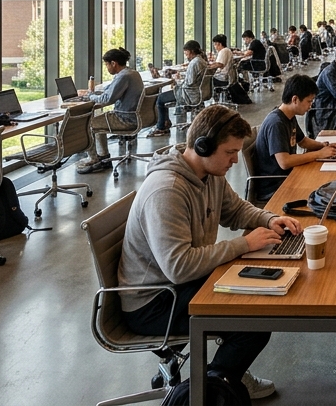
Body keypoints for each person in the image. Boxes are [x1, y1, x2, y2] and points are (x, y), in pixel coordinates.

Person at [118, 105, 298, 399]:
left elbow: (235, 210)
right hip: (154, 301)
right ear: (203, 146)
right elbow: (179, 267)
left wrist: (268, 219)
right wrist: (245, 244)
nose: (235, 160)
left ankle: (224, 375)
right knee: (252, 316)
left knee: (258, 296)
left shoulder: (208, 173)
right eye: (229, 152)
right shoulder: (167, 190)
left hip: (178, 284)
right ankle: (214, 387)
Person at [250, 75, 336, 201]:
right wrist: (319, 154)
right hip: (276, 186)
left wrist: (324, 146)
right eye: (309, 101)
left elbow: (303, 142)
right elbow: (285, 162)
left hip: (288, 176)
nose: (310, 106)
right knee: (325, 189)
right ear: (295, 99)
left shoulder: (289, 116)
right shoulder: (276, 123)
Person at [81, 47, 145, 174]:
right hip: (134, 116)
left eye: (106, 64)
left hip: (124, 119)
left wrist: (90, 96)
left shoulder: (123, 77)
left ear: (113, 63)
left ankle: (94, 159)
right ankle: (103, 157)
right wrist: (94, 93)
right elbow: (110, 90)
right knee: (98, 120)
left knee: (87, 124)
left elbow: (107, 99)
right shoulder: (132, 73)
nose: (107, 67)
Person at [149, 40, 211, 136]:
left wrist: (177, 81)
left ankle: (161, 127)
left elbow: (189, 83)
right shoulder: (202, 61)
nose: (186, 55)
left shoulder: (194, 63)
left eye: (186, 52)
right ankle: (165, 123)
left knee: (160, 99)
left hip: (188, 94)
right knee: (164, 97)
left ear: (191, 51)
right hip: (198, 93)